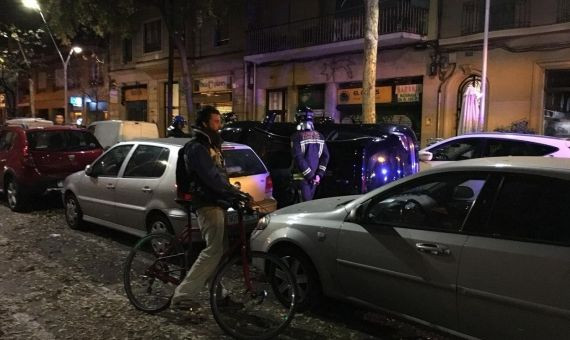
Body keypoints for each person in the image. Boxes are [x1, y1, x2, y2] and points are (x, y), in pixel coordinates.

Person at [171, 105, 247, 309]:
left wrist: (234, 192)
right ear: (205, 123)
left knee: (218, 250)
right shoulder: (198, 147)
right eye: (215, 121)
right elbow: (210, 177)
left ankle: (220, 296)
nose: (219, 125)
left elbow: (219, 175)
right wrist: (232, 193)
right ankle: (183, 295)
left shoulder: (212, 144)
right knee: (213, 250)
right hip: (207, 203)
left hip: (216, 201)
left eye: (219, 121)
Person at [290, 106, 330, 201]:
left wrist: (310, 176)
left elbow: (298, 157)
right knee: (309, 204)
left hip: (301, 178)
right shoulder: (320, 136)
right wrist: (319, 175)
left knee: (301, 206)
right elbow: (326, 156)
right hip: (315, 179)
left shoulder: (296, 137)